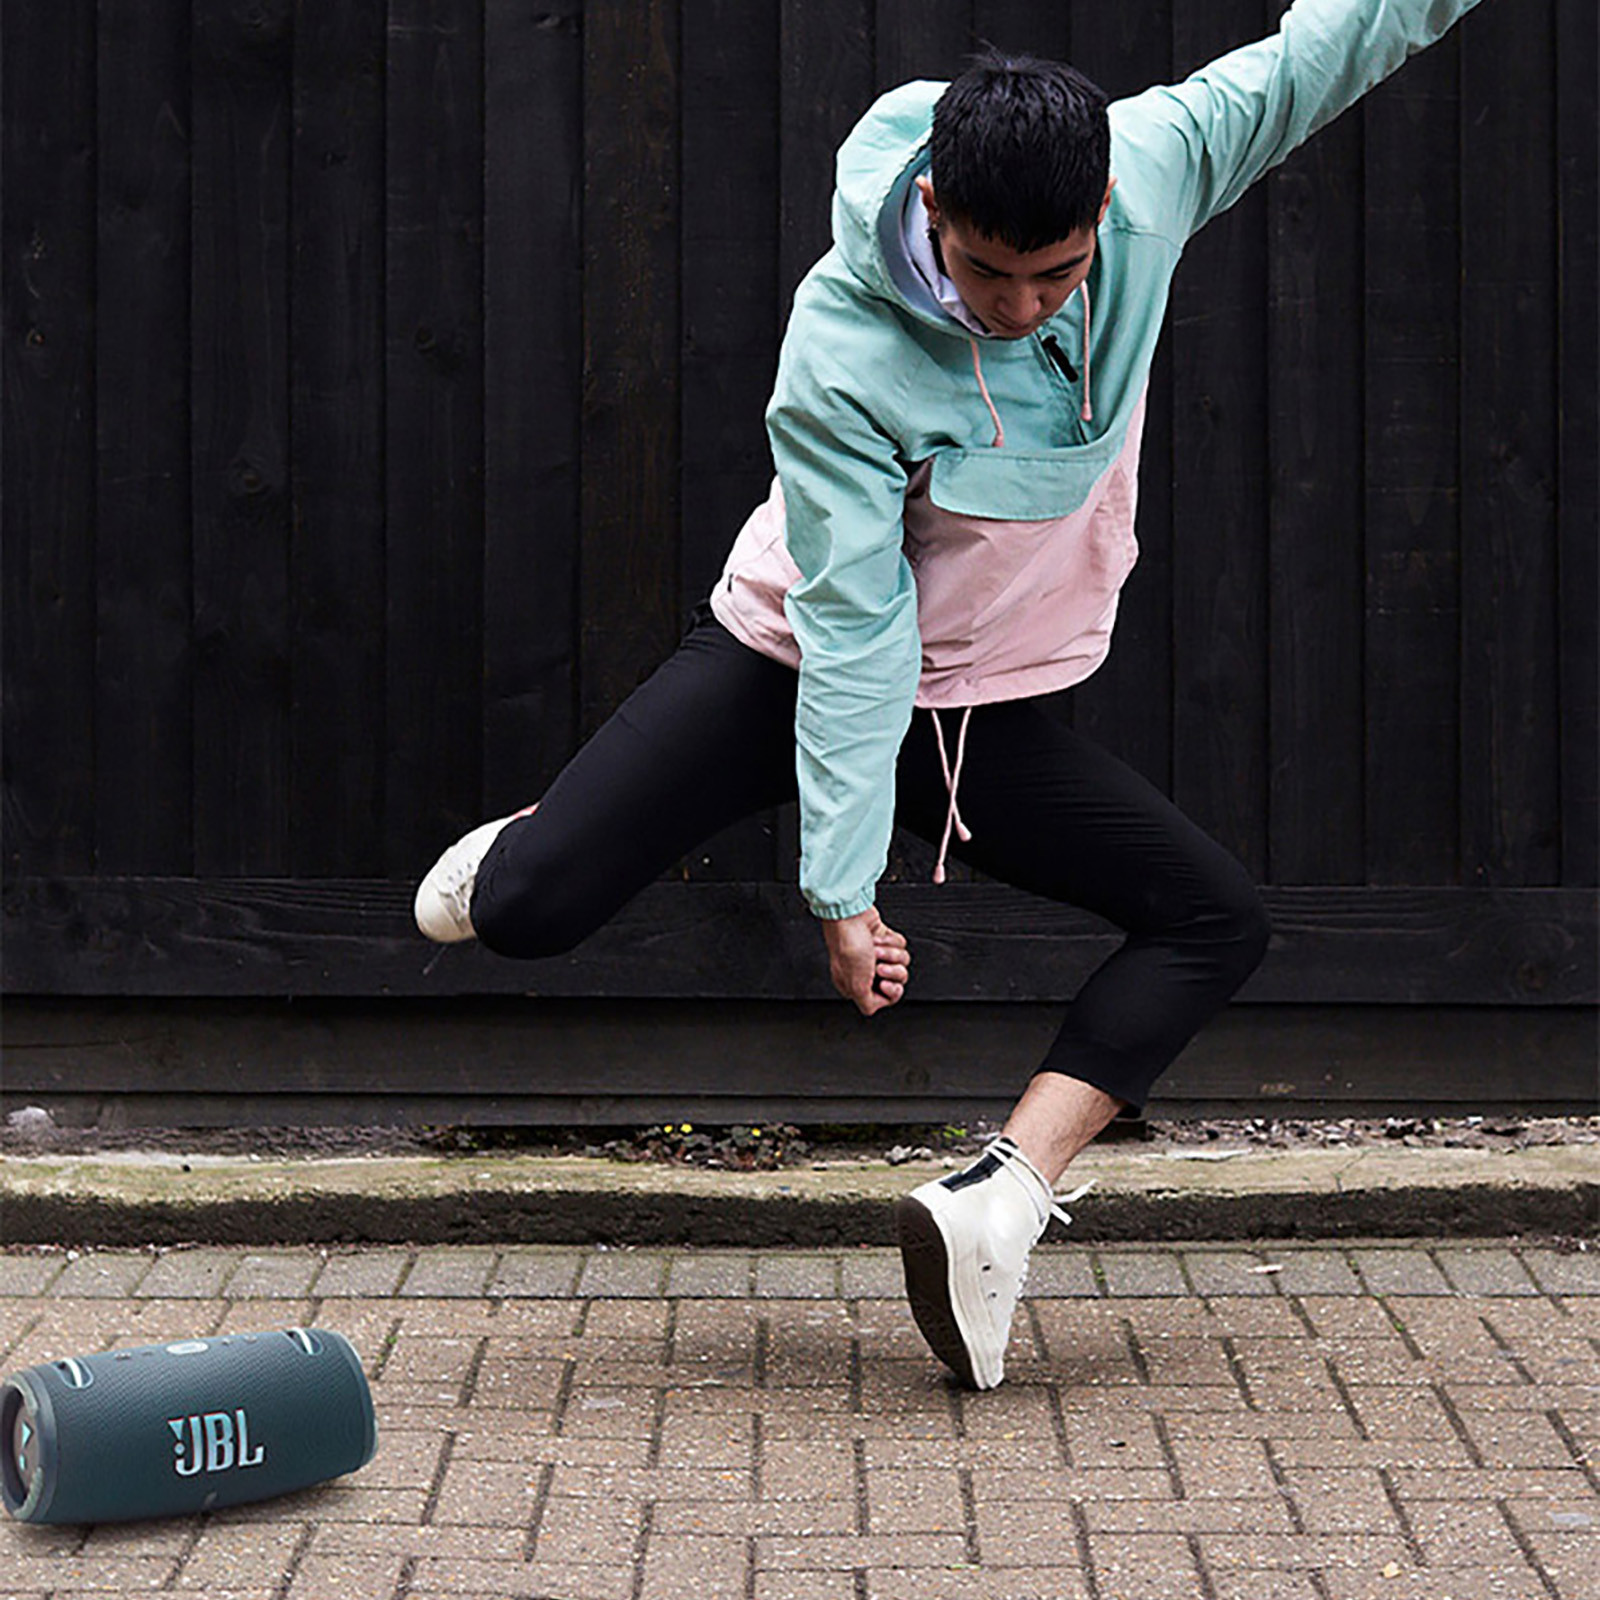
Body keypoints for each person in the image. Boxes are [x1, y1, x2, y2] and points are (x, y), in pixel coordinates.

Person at [416, 0, 1487, 1389]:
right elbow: (857, 631)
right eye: (989, 273)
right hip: (788, 658)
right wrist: (844, 892)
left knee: (1213, 917)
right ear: (934, 208)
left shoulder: (1155, 165)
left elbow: (1324, 52)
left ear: (1101, 210)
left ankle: (1003, 1196)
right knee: (525, 916)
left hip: (974, 712)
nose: (1023, 305)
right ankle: (540, 839)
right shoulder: (843, 345)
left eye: (1059, 272)